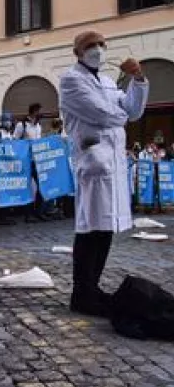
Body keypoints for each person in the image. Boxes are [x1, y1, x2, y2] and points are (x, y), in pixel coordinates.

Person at [60, 30, 149, 317]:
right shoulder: (71, 80)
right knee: (89, 228)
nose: (97, 49)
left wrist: (137, 79)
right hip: (93, 163)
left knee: (105, 227)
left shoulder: (109, 81)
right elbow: (101, 114)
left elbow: (133, 111)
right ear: (78, 52)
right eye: (90, 46)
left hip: (113, 165)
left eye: (101, 44)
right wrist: (119, 116)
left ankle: (92, 288)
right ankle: (81, 292)